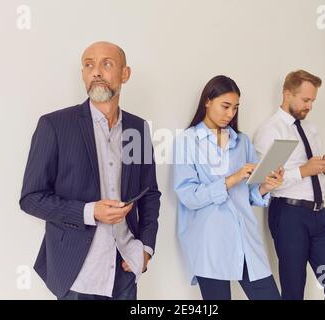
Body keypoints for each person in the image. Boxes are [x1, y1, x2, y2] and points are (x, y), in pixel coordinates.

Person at [19, 41, 161, 300]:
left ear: (125, 74)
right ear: (83, 74)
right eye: (88, 65)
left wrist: (147, 248)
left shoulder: (137, 129)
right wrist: (89, 211)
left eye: (106, 64)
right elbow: (31, 198)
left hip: (125, 267)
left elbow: (149, 192)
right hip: (77, 274)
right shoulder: (55, 126)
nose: (96, 71)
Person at [173, 75, 284, 300]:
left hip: (244, 238)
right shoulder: (187, 141)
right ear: (207, 101)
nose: (230, 114)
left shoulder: (241, 141)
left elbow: (250, 194)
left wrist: (265, 186)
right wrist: (231, 179)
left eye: (235, 108)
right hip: (210, 241)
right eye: (225, 106)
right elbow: (188, 196)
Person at [253, 70, 325, 300]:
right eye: (305, 100)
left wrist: (322, 168)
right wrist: (305, 170)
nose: (310, 106)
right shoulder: (271, 130)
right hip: (289, 216)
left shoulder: (310, 129)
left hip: (319, 218)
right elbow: (265, 181)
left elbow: (309, 171)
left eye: (313, 101)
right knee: (294, 289)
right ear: (287, 94)